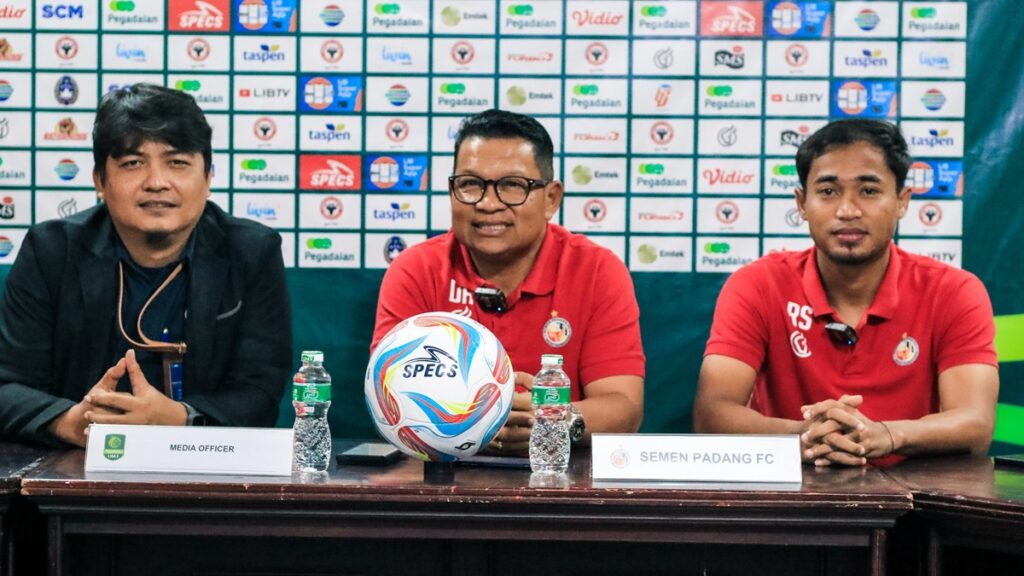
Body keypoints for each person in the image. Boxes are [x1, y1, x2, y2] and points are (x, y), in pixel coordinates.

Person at [0, 83, 292, 447]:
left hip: (206, 474)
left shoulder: (252, 252)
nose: (156, 182)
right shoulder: (52, 251)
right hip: (74, 474)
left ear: (208, 179)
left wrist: (177, 419)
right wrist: (73, 422)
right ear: (99, 181)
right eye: (132, 163)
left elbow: (260, 394)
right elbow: (8, 385)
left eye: (178, 163)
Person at [693, 119, 998, 466]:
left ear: (902, 201)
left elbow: (976, 425)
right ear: (802, 203)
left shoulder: (954, 291)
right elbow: (712, 413)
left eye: (868, 191)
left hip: (917, 508)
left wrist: (886, 434)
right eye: (828, 191)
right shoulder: (757, 284)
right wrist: (804, 436)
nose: (847, 211)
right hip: (787, 502)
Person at [372, 109, 645, 456]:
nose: (488, 203)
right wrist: (474, 421)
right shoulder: (416, 269)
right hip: (442, 481)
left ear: (551, 198)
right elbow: (387, 396)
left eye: (512, 186)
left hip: (559, 485)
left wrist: (553, 419)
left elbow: (625, 406)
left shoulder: (596, 270)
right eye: (470, 184)